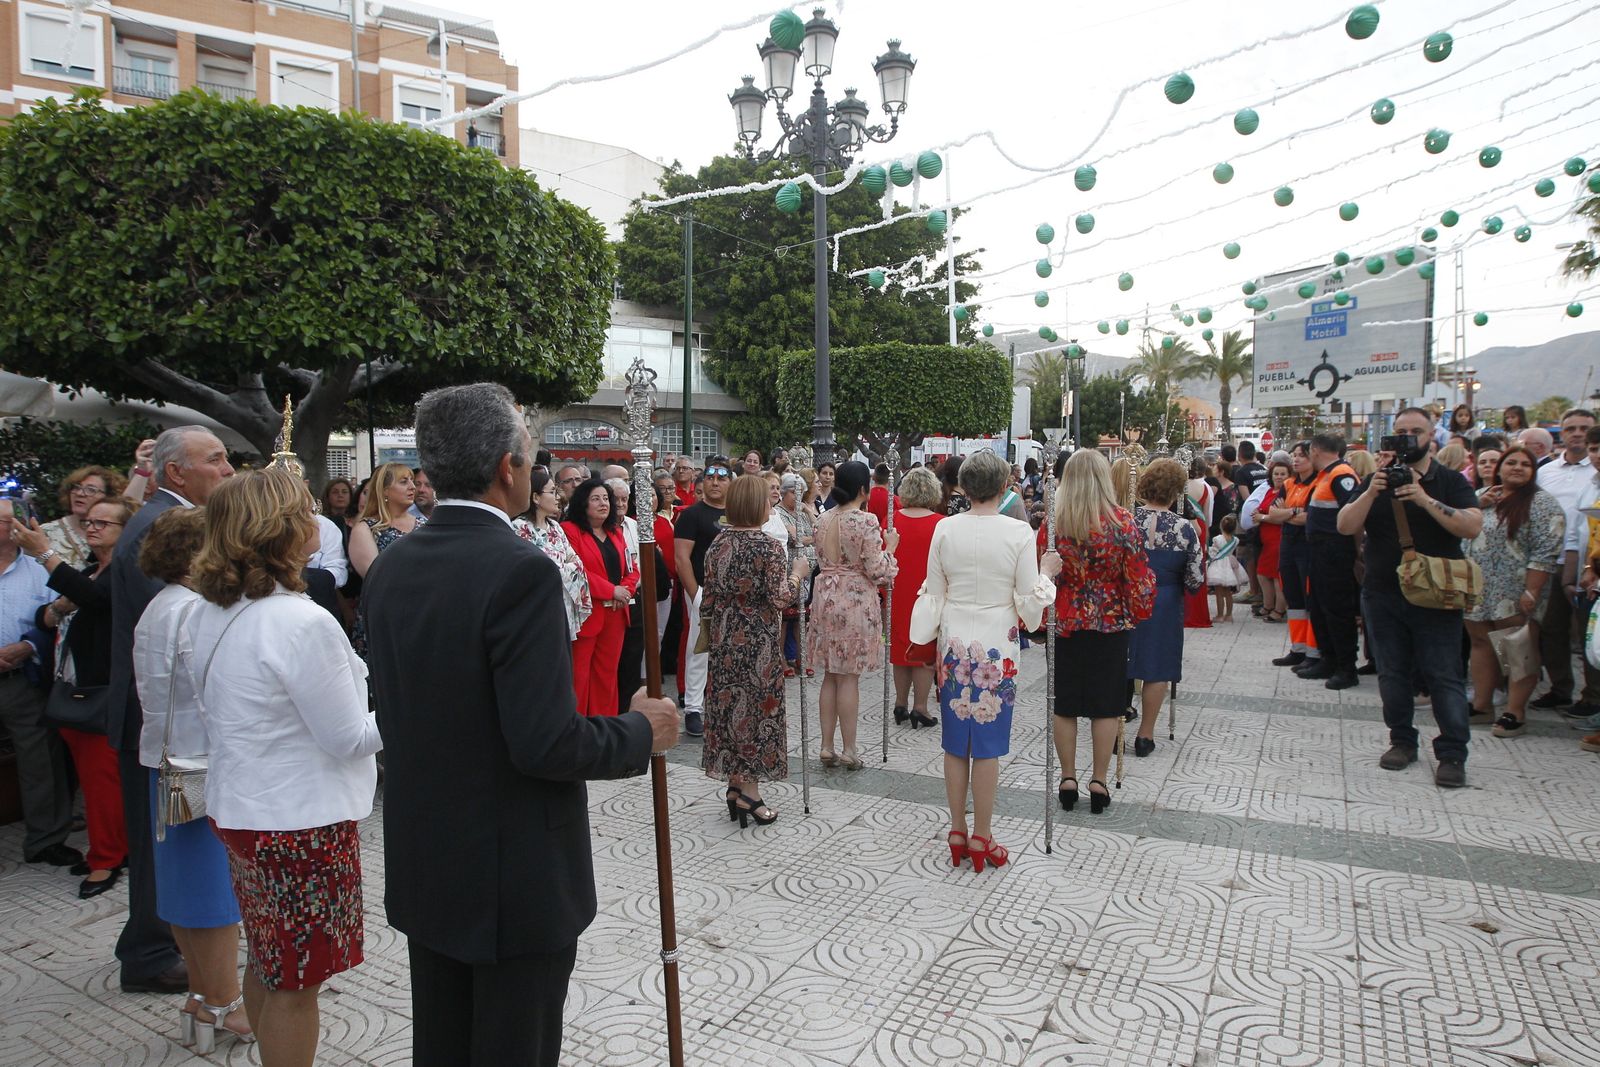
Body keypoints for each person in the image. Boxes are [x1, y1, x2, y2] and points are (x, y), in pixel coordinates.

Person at [362, 383, 678, 1067]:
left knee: (442, 1046)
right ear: (509, 466)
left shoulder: (391, 565)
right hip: (511, 878)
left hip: (428, 865)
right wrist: (638, 731)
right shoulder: (519, 570)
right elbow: (545, 741)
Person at [189, 468, 382, 1067]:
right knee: (298, 982)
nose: (316, 523)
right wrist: (417, 706)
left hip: (246, 809)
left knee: (270, 959)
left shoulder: (209, 611)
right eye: (303, 512)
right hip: (299, 825)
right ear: (279, 528)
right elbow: (350, 737)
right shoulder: (300, 621)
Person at [107, 425, 234, 994]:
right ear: (176, 472)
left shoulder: (165, 517)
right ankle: (153, 952)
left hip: (162, 725)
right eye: (215, 459)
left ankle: (166, 946)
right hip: (159, 727)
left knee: (170, 845)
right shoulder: (160, 524)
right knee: (165, 845)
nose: (228, 470)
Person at [132, 508, 251, 1052]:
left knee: (184, 890)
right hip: (204, 767)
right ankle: (227, 1003)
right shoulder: (195, 611)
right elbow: (217, 695)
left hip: (167, 765)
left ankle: (203, 997)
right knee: (213, 895)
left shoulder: (160, 606)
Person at [912, 449, 1059, 867]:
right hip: (997, 642)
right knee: (988, 746)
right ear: (1003, 486)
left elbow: (934, 592)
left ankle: (957, 828)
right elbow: (1031, 603)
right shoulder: (1018, 534)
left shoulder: (945, 529)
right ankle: (982, 836)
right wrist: (1047, 572)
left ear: (962, 487)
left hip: (954, 639)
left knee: (956, 743)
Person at [1336, 406, 1483, 788]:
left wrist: (1422, 498)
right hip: (1384, 592)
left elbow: (1471, 526)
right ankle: (1401, 740)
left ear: (1431, 435)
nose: (1406, 437)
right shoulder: (1375, 480)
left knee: (1443, 675)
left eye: (1415, 431)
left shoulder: (1448, 480)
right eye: (1400, 431)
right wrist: (1371, 490)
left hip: (1436, 594)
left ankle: (1452, 752)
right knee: (1392, 672)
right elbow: (1345, 524)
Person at [14, 496, 136, 898]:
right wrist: (54, 610)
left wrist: (44, 553)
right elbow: (48, 614)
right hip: (74, 688)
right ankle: (114, 848)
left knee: (103, 782)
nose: (93, 527)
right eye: (89, 521)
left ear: (126, 531)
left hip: (102, 693)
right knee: (95, 780)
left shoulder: (123, 571)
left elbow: (97, 599)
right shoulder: (88, 570)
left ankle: (106, 860)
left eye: (104, 523)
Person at [1044, 449, 1150, 814]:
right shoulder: (1123, 522)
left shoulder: (1056, 522)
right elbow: (1137, 579)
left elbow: (1041, 572)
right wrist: (1140, 610)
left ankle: (1068, 776)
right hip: (1110, 622)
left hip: (1066, 622)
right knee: (1107, 706)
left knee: (1065, 702)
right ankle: (1099, 779)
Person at [701, 475, 810, 827]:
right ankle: (750, 792)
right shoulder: (767, 547)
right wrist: (797, 574)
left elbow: (710, 597)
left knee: (729, 707)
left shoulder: (717, 544)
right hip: (758, 643)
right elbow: (780, 597)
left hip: (723, 640)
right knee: (755, 713)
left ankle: (734, 783)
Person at [1465, 446, 1565, 736]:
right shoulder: (1484, 496)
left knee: (1516, 649)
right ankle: (1482, 705)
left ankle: (1515, 710)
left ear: (1534, 471)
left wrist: (1532, 592)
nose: (1517, 468)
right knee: (1481, 644)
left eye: (1525, 464)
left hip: (1517, 590)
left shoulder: (1542, 503)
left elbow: (1546, 553)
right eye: (1511, 462)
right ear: (1500, 468)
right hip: (1479, 588)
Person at [0, 498, 75, 870]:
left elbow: (57, 619)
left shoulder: (37, 569)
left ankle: (46, 840)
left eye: (6, 520)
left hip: (22, 676)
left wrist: (28, 645)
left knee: (39, 761)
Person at [808, 460, 898, 768]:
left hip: (825, 597)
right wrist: (892, 549)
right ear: (863, 489)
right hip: (854, 599)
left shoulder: (822, 520)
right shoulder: (866, 521)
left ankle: (825, 744)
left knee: (830, 676)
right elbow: (878, 570)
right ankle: (849, 749)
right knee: (848, 678)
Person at [1128, 460, 1204, 757]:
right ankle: (1145, 735)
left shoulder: (1126, 520)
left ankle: (1114, 722)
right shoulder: (1185, 529)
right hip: (1165, 600)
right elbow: (1196, 578)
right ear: (1176, 490)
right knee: (1156, 667)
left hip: (1128, 597)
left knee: (1121, 658)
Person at [1534, 409, 1598, 712]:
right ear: (1562, 431)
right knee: (1551, 628)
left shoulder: (1595, 472)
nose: (1577, 433)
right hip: (1554, 559)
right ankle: (1561, 688)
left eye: (1583, 428)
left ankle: (1592, 696)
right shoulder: (1546, 471)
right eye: (1570, 428)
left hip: (1591, 562)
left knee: (1588, 633)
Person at [562, 478, 640, 718]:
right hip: (587, 613)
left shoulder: (615, 532)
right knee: (580, 676)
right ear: (583, 503)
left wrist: (624, 590)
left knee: (607, 675)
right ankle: (576, 728)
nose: (603, 503)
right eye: (596, 498)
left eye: (606, 498)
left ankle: (604, 726)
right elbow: (576, 571)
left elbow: (632, 568)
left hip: (615, 613)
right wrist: (611, 591)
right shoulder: (570, 530)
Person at [674, 456, 733, 738]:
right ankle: (694, 709)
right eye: (710, 477)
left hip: (733, 595)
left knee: (730, 652)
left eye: (722, 478)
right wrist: (695, 595)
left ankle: (721, 703)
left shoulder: (737, 513)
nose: (715, 482)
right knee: (700, 651)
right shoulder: (691, 516)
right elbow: (682, 558)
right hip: (703, 592)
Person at [1304, 433, 1363, 689]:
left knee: (1338, 610)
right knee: (1318, 607)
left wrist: (1357, 553)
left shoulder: (1342, 475)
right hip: (1319, 551)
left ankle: (1346, 667)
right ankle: (1328, 659)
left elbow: (1354, 515)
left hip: (1335, 551)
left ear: (1315, 450)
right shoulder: (1325, 476)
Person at [889, 467, 945, 727]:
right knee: (924, 648)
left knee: (900, 648)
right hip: (927, 591)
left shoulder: (891, 521)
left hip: (898, 588)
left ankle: (900, 703)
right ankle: (920, 706)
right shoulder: (939, 523)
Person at [348, 462, 422, 657]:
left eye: (412, 482)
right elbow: (377, 578)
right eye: (404, 482)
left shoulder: (426, 525)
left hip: (424, 614)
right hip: (386, 617)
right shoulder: (366, 529)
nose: (412, 487)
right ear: (385, 490)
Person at [512, 468, 591, 640]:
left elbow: (577, 563)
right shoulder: (519, 528)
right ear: (535, 497)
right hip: (537, 608)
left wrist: (560, 568)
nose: (558, 497)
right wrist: (563, 568)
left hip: (562, 605)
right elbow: (534, 572)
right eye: (552, 492)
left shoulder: (556, 527)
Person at [1271, 443, 1320, 672]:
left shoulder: (1318, 484)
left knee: (1309, 598)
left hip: (1307, 547)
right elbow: (1273, 513)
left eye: (1303, 455)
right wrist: (1294, 512)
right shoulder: (1289, 483)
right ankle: (1298, 648)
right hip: (1288, 546)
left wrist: (1287, 512)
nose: (1297, 459)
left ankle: (1314, 652)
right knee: (1293, 598)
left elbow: (1310, 517)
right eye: (1295, 455)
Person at [42, 465, 129, 568]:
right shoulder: (45, 532)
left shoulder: (117, 532)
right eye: (76, 487)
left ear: (109, 497)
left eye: (91, 490)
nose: (80, 493)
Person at [775, 472, 814, 676]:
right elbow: (796, 538)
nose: (798, 497)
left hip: (806, 574)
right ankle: (781, 659)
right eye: (794, 493)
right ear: (784, 492)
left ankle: (802, 656)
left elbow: (817, 532)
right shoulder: (778, 513)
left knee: (802, 619)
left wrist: (809, 512)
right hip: (787, 572)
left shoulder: (802, 512)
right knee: (785, 620)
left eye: (801, 493)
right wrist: (809, 538)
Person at [1243, 458, 1290, 623]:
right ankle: (1268, 605)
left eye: (1283, 474)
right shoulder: (1270, 491)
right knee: (1263, 574)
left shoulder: (1286, 493)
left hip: (1279, 539)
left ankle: (1279, 609)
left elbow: (1280, 516)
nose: (1279, 477)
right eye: (1276, 473)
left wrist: (1261, 516)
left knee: (1277, 577)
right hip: (1266, 540)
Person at [1182, 457, 1214, 629]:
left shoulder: (1179, 486)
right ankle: (1199, 614)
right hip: (1200, 527)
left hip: (1184, 527)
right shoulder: (1206, 488)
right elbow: (1208, 517)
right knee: (1198, 567)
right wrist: (1206, 542)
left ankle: (1185, 613)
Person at [1207, 514, 1248, 622]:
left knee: (1219, 593)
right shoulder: (1235, 540)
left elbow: (1214, 552)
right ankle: (1229, 615)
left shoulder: (1217, 539)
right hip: (1230, 564)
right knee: (1228, 593)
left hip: (1219, 566)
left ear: (1221, 526)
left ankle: (1220, 615)